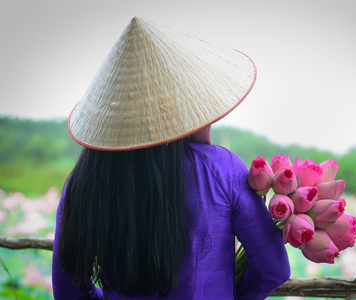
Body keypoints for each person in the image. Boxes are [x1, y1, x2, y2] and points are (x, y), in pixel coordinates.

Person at [52, 17, 290, 299]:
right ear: (188, 112)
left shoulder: (84, 182)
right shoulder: (223, 168)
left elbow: (68, 290)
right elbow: (272, 270)